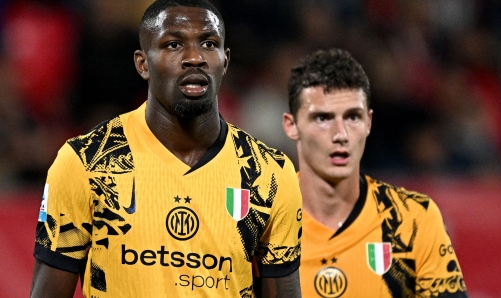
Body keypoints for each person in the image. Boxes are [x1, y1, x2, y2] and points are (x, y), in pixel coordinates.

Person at [30, 0, 303, 297]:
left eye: (208, 44)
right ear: (142, 64)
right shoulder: (86, 161)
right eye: (174, 44)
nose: (195, 57)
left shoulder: (270, 173)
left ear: (224, 61)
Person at [282, 48, 468, 297]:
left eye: (353, 117)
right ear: (291, 126)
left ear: (368, 123)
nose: (341, 135)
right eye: (323, 118)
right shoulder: (260, 225)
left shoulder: (414, 221)